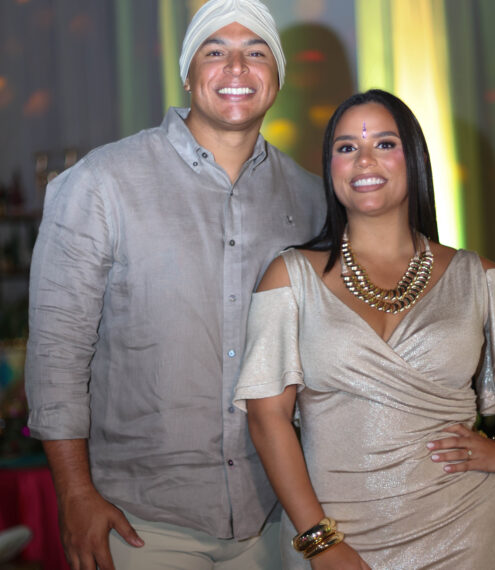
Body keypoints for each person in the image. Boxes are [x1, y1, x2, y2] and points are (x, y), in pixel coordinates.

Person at [24, 1, 325, 569]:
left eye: (255, 52)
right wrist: (74, 493)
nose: (236, 68)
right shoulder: (101, 183)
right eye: (215, 52)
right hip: (142, 522)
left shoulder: (312, 200)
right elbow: (56, 355)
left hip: (275, 516)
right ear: (188, 73)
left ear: (278, 76)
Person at [233, 89, 495, 569]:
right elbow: (267, 419)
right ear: (330, 167)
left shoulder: (474, 275)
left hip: (468, 531)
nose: (364, 159)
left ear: (413, 159)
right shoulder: (289, 277)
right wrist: (320, 542)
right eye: (347, 147)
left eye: (385, 144)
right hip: (337, 537)